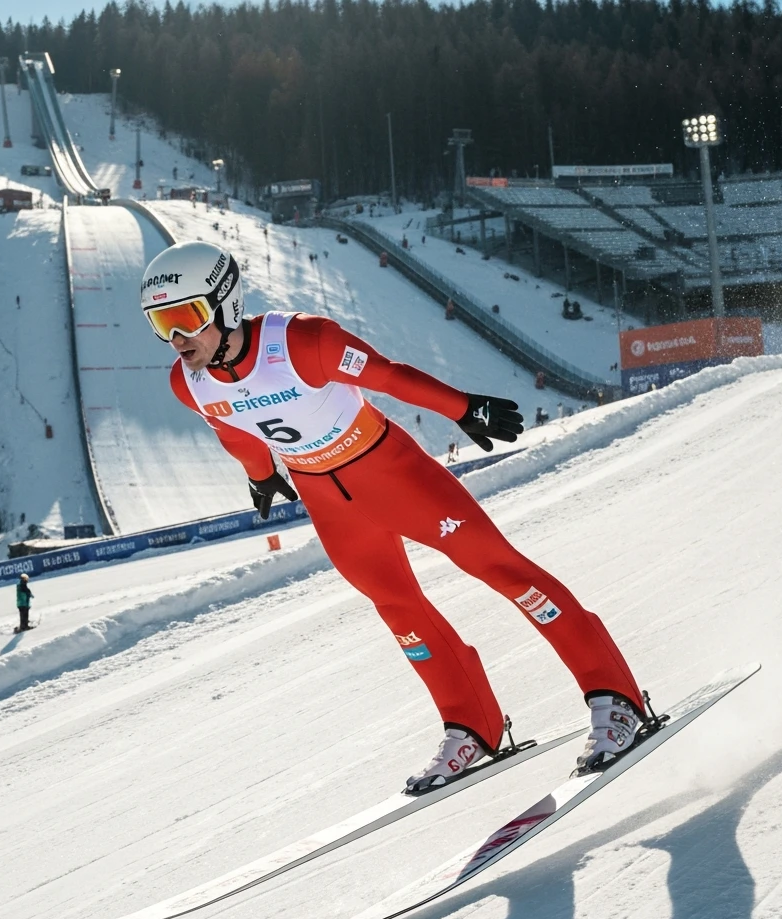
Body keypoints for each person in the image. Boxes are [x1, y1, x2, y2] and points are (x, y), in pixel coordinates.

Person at [140, 241, 649, 791]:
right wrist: (260, 474)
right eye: (161, 323)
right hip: (330, 503)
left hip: (394, 475)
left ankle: (615, 697)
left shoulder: (302, 341)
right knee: (399, 611)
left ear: (224, 303)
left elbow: (386, 376)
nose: (177, 338)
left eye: (185, 318)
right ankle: (471, 726)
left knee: (503, 571)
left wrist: (463, 408)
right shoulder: (185, 382)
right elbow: (235, 428)